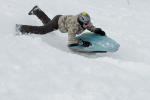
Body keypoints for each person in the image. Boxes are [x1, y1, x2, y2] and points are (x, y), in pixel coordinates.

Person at [16, 5, 106, 47]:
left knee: (47, 24)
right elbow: (71, 40)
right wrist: (82, 43)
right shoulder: (73, 26)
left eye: (88, 22)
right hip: (58, 22)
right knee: (43, 30)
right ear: (81, 22)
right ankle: (21, 28)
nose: (88, 25)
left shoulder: (84, 21)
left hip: (61, 19)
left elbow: (89, 26)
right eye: (86, 24)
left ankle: (36, 10)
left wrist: (95, 30)